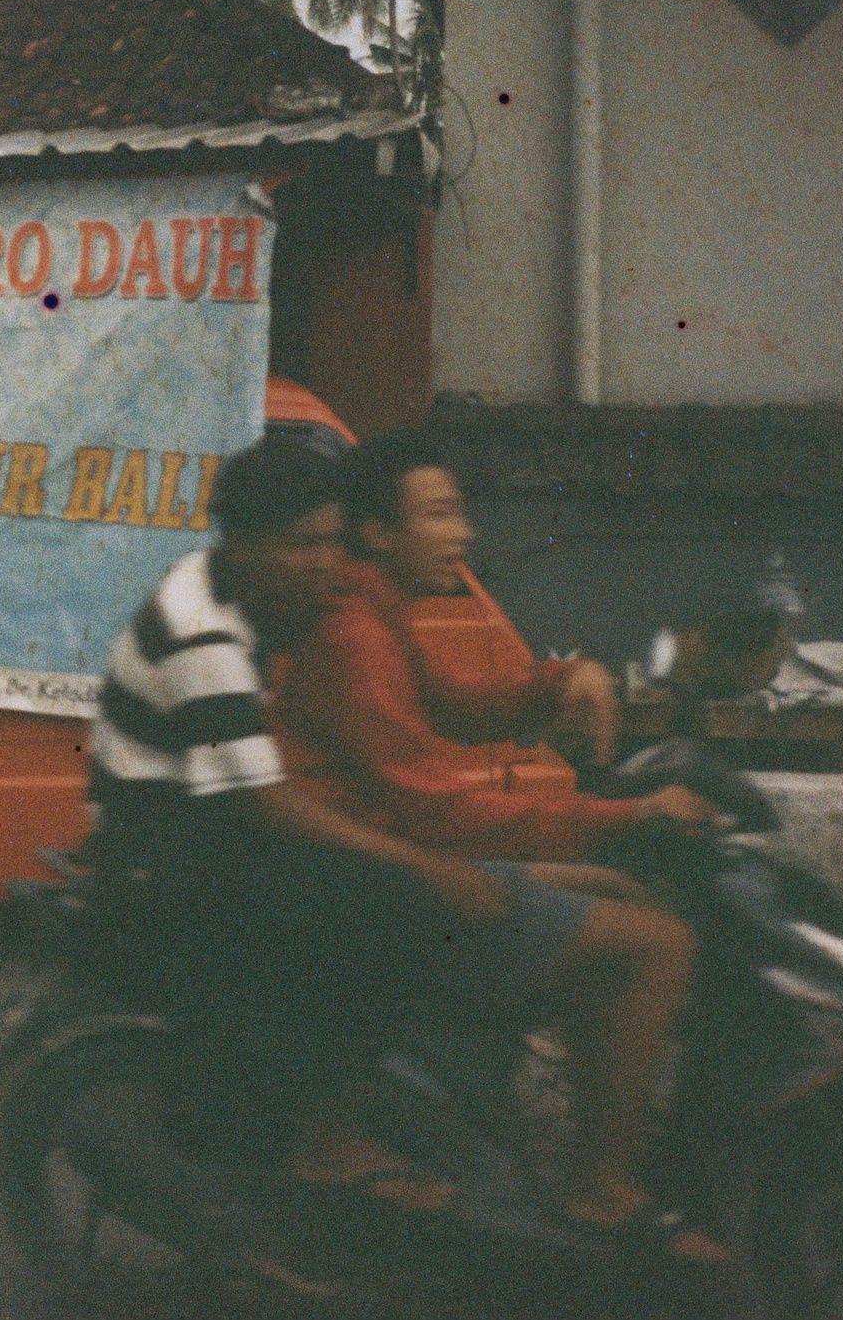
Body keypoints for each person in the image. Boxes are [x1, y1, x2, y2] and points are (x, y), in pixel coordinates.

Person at [270, 426, 729, 1265]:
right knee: (657, 945)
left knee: (624, 898)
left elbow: (453, 702)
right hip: (381, 880)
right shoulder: (355, 633)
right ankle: (602, 1187)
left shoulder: (377, 612)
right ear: (376, 531)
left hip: (392, 860)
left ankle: (526, 1107)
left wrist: (559, 680)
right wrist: (624, 815)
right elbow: (433, 811)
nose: (464, 532)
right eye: (440, 513)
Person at [79, 434, 529, 1217]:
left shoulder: (235, 592)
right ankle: (327, 1138)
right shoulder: (202, 634)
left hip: (206, 818)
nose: (326, 563)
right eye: (302, 544)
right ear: (245, 543)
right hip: (163, 848)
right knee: (385, 906)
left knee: (379, 880)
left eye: (331, 540)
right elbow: (266, 802)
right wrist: (425, 865)